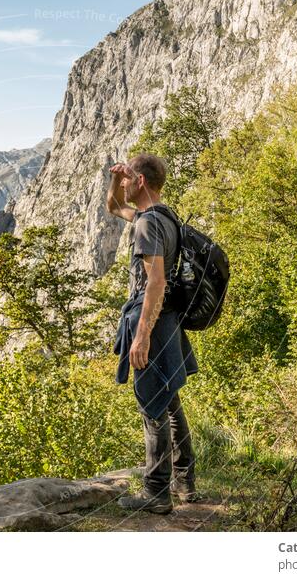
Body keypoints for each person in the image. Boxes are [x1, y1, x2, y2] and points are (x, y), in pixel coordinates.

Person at [107, 152, 199, 514]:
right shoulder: (163, 217)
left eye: (128, 178)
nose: (125, 184)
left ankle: (156, 493)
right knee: (171, 400)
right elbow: (114, 207)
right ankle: (185, 483)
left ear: (141, 181)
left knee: (152, 405)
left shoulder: (147, 225)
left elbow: (155, 283)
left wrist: (142, 336)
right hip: (170, 320)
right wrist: (115, 177)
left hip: (154, 322)